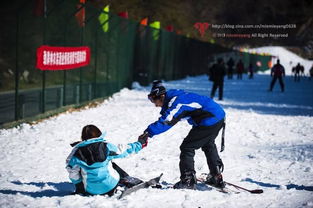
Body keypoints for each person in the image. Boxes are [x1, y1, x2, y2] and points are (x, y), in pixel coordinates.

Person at [138, 80, 226, 189]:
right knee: (208, 143)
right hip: (217, 116)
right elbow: (168, 112)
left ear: (161, 97)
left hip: (210, 119)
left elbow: (167, 120)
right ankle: (216, 176)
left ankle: (188, 180)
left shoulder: (178, 102)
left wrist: (148, 132)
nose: (155, 105)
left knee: (187, 147)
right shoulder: (174, 98)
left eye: (153, 101)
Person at [66, 124, 148, 196]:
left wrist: (79, 187)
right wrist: (140, 143)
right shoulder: (106, 147)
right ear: (99, 134)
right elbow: (124, 150)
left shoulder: (76, 153)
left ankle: (94, 185)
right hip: (111, 185)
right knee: (110, 162)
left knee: (78, 167)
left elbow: (71, 170)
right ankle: (126, 178)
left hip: (91, 190)